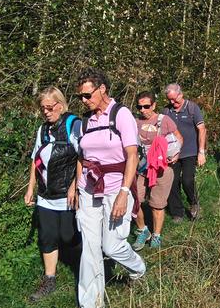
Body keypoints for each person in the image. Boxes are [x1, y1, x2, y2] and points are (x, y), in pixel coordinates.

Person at [74, 68, 146, 308]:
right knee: (90, 247)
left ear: (102, 88)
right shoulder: (86, 121)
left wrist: (124, 194)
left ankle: (138, 268)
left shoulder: (121, 114)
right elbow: (81, 157)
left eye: (87, 95)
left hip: (116, 188)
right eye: (80, 97)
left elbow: (132, 155)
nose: (84, 100)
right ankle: (91, 302)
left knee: (112, 246)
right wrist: (77, 187)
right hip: (89, 189)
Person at [25, 87, 81, 302]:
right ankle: (50, 278)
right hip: (45, 195)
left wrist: (75, 185)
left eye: (49, 108)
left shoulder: (73, 125)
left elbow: (84, 157)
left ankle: (85, 266)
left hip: (67, 195)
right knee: (47, 237)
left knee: (68, 236)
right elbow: (35, 160)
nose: (46, 112)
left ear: (60, 104)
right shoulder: (43, 130)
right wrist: (30, 188)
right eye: (43, 109)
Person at [132, 91, 182, 250]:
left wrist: (176, 154)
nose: (142, 110)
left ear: (153, 105)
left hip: (161, 168)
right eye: (139, 107)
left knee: (157, 204)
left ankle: (156, 235)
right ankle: (143, 230)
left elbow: (178, 137)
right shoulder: (134, 122)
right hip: (140, 168)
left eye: (146, 106)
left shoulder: (164, 120)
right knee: (134, 201)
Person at [163, 83, 207, 222]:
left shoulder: (192, 108)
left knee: (187, 180)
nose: (172, 102)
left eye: (174, 99)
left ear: (181, 94)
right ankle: (177, 212)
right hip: (172, 154)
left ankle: (194, 203)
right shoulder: (166, 111)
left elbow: (202, 129)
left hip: (190, 151)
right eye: (169, 99)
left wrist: (201, 152)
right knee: (172, 181)